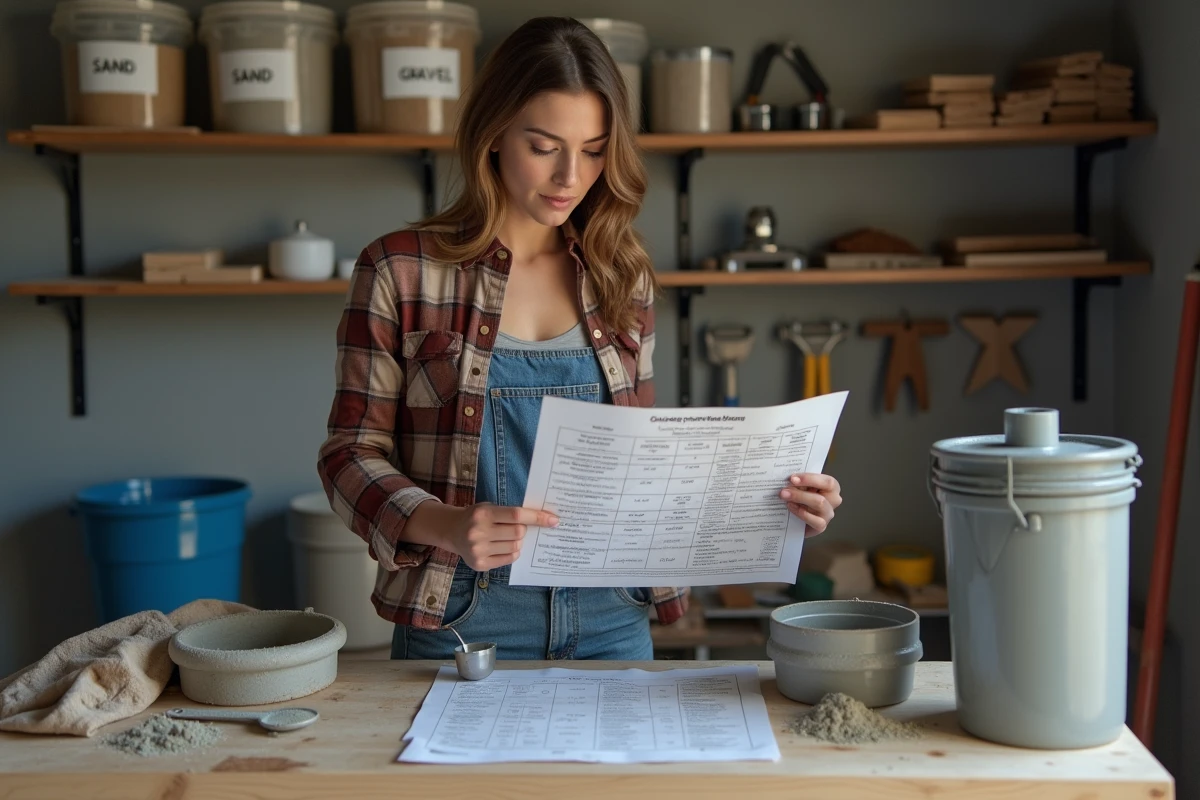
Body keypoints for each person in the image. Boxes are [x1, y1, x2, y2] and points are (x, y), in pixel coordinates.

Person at [317, 16, 843, 662]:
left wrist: (778, 503)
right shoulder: (399, 271)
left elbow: (643, 471)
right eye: (544, 146)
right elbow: (347, 455)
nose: (571, 175)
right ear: (493, 133)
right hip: (459, 623)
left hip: (612, 623)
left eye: (594, 149)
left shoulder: (625, 278)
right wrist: (447, 525)